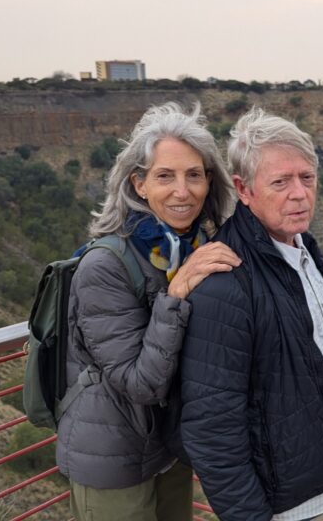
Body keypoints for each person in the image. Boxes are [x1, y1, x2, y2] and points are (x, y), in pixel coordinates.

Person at [179, 107, 323, 521]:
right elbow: (210, 430)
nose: (299, 193)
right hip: (286, 506)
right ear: (244, 190)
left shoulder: (293, 247)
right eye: (280, 182)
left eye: (307, 178)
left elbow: (298, 308)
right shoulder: (226, 282)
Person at [57, 102, 242, 521]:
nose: (183, 191)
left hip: (170, 446)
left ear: (209, 181)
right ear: (139, 184)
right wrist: (175, 295)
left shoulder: (194, 248)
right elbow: (139, 383)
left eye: (194, 174)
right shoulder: (104, 266)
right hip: (113, 459)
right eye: (165, 176)